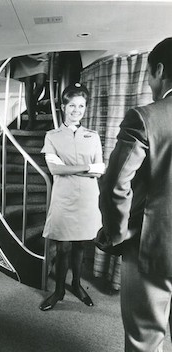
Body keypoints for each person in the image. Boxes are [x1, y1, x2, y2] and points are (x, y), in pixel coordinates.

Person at [96, 37, 172, 351]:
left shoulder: (145, 118)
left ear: (159, 69)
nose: (149, 83)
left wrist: (115, 233)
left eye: (149, 76)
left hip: (152, 246)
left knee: (145, 339)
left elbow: (115, 182)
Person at [39, 83, 105, 311]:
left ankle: (76, 285)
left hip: (87, 198)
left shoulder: (93, 136)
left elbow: (101, 169)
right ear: (63, 107)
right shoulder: (52, 136)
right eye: (72, 105)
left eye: (81, 106)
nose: (77, 110)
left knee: (80, 246)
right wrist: (88, 167)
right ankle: (58, 291)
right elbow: (56, 169)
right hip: (64, 198)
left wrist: (74, 167)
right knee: (63, 247)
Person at [11, 53, 50, 130]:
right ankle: (31, 120)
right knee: (28, 85)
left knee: (41, 83)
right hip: (26, 54)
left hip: (42, 52)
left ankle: (31, 108)